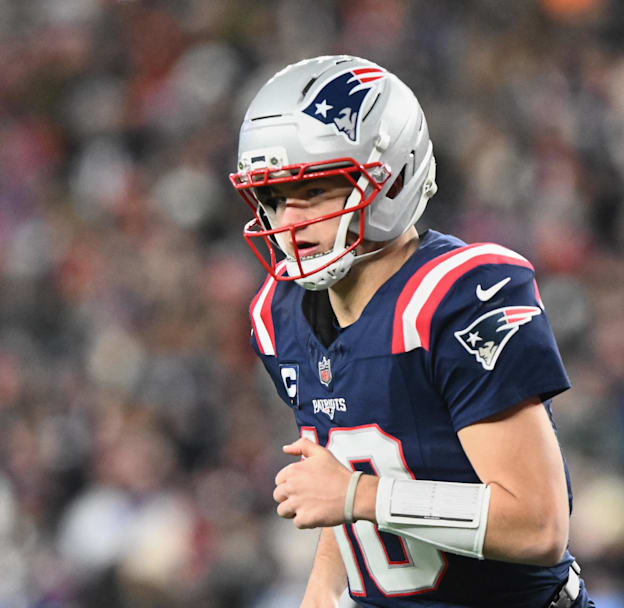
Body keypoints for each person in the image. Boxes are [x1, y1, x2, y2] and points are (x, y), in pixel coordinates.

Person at [229, 55, 594, 608]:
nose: (289, 222)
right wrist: (323, 591)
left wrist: (359, 495)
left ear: (391, 179)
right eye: (275, 198)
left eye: (316, 191)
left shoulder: (456, 297)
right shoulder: (281, 315)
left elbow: (538, 526)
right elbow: (341, 487)